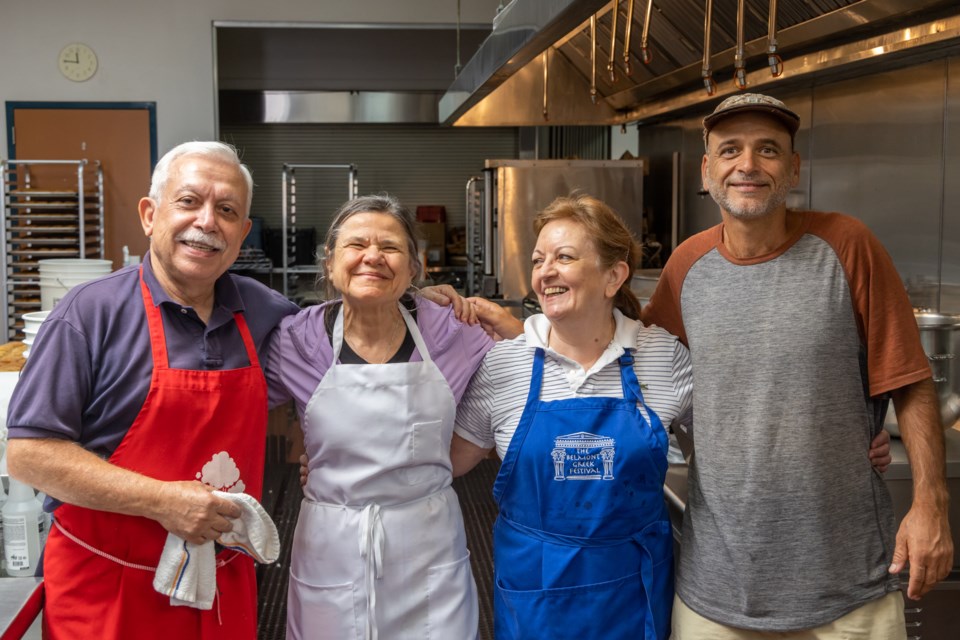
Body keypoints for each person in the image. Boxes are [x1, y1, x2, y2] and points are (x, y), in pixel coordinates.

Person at [3, 142, 469, 640]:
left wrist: (422, 300)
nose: (207, 222)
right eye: (188, 202)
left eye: (227, 210)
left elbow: (358, 321)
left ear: (242, 232)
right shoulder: (89, 314)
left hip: (223, 582)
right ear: (149, 214)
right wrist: (161, 500)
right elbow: (30, 455)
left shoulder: (268, 314)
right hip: (112, 584)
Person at [641, 93, 953, 639]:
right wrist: (529, 333)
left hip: (846, 586)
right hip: (716, 588)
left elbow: (910, 381)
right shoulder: (686, 265)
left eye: (768, 150)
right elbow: (631, 362)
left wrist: (930, 503)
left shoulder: (848, 245)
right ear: (707, 168)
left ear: (792, 167)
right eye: (730, 150)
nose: (748, 166)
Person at [450, 194, 693, 639]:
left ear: (614, 276)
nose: (546, 272)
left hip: (633, 592)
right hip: (535, 593)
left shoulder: (662, 357)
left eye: (564, 257)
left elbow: (723, 443)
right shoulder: (506, 364)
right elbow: (447, 462)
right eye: (539, 259)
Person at [267, 195, 495, 640]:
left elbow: (521, 375)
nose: (372, 256)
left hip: (428, 551)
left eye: (390, 247)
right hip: (332, 545)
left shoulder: (452, 333)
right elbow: (231, 399)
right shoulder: (297, 339)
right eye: (356, 245)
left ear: (415, 267)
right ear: (330, 264)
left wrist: (506, 322)